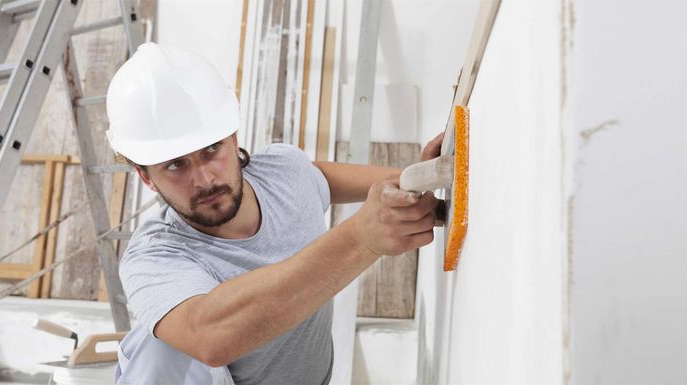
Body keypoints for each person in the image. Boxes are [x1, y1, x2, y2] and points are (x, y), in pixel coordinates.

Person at [108, 43, 442, 385]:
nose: (205, 179)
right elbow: (210, 334)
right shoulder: (155, 255)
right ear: (146, 176)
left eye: (212, 149)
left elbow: (318, 178)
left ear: (233, 137)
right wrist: (361, 239)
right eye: (176, 165)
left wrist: (415, 180)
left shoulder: (282, 172)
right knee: (160, 347)